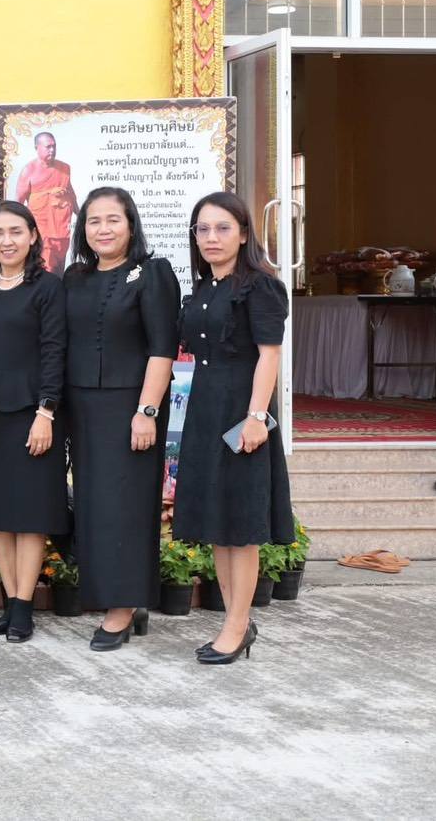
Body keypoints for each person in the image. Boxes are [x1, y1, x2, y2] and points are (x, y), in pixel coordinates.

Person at [175, 191, 294, 665]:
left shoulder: (259, 286)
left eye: (222, 227)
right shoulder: (205, 287)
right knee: (218, 524)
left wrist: (255, 417)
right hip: (205, 411)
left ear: (244, 233)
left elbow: (269, 355)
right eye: (202, 229)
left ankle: (237, 624)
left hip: (244, 414)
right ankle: (234, 618)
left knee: (241, 527)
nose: (211, 237)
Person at [62, 186, 179, 652]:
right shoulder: (74, 277)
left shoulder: (153, 273)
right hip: (82, 407)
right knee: (93, 504)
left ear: (131, 224)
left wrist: (146, 411)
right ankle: (116, 595)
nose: (103, 229)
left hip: (133, 407)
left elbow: (162, 348)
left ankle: (122, 608)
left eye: (113, 219)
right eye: (93, 221)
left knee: (126, 507)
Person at [0, 200, 68, 644]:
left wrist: (45, 412)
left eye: (15, 232)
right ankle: (9, 602)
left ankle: (25, 605)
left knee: (29, 514)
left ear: (33, 236)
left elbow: (54, 351)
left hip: (34, 414)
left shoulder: (48, 287)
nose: (6, 241)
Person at [14, 132, 78, 274]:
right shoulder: (28, 171)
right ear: (37, 147)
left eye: (54, 146)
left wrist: (80, 213)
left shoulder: (64, 168)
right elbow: (18, 202)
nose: (52, 150)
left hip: (61, 226)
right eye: (48, 147)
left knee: (60, 264)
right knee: (45, 264)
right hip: (41, 227)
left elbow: (70, 193)